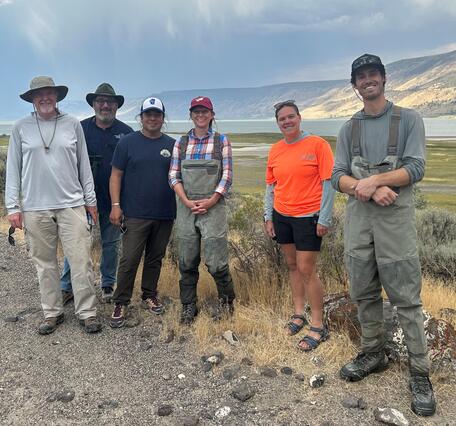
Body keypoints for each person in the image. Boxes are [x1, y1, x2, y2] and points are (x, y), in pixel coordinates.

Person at [331, 53, 436, 416]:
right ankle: (373, 354)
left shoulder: (409, 119)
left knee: (406, 299)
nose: (367, 80)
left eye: (373, 74)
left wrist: (374, 179)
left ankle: (420, 373)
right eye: (361, 76)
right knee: (363, 293)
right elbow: (338, 176)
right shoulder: (348, 128)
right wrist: (369, 188)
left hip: (395, 227)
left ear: (384, 78)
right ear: (355, 84)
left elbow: (416, 168)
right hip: (360, 225)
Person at [5, 76, 101, 334]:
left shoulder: (72, 124)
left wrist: (90, 200)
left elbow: (84, 165)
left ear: (56, 96)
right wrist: (13, 207)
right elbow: (13, 168)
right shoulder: (21, 127)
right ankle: (52, 312)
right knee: (44, 262)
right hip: (35, 206)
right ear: (32, 100)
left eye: (49, 93)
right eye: (39, 95)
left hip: (72, 203)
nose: (44, 98)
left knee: (81, 260)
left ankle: (87, 312)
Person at [264, 100, 335, 351]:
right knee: (292, 266)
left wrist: (325, 218)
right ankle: (298, 314)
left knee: (307, 269)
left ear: (299, 117)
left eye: (290, 116)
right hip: (282, 215)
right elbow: (270, 186)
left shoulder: (318, 145)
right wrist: (268, 216)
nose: (287, 121)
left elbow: (328, 184)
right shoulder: (276, 149)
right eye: (282, 118)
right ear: (278, 123)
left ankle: (318, 325)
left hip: (309, 217)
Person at [60, 83, 133, 305]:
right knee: (77, 242)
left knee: (111, 243)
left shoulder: (127, 133)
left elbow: (130, 170)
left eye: (109, 102)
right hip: (80, 199)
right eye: (100, 101)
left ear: (116, 106)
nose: (105, 105)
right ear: (93, 104)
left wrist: (122, 202)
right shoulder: (78, 129)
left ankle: (107, 283)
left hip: (114, 200)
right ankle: (67, 286)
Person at [109, 97, 176, 328]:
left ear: (163, 118)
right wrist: (116, 206)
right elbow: (115, 175)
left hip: (165, 213)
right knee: (129, 260)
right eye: (148, 114)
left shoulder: (173, 145)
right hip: (135, 213)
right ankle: (120, 301)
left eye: (157, 114)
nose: (153, 118)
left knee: (155, 258)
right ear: (141, 117)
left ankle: (149, 294)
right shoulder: (127, 143)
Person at [168, 96, 235, 324]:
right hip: (186, 207)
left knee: (216, 261)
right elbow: (173, 175)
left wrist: (212, 200)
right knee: (187, 260)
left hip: (213, 207)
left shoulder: (221, 141)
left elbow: (227, 176)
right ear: (191, 114)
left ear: (211, 114)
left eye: (204, 111)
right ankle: (188, 306)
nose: (200, 115)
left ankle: (227, 303)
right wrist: (186, 201)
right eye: (196, 111)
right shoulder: (181, 143)